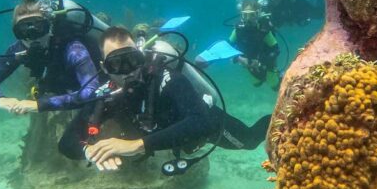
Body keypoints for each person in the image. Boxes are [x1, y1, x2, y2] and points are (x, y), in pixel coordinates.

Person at [80, 27, 271, 171]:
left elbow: (201, 121)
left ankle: (280, 117)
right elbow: (68, 141)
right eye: (116, 64)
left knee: (250, 140)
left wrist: (137, 145)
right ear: (104, 67)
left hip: (207, 124)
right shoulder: (106, 94)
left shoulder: (165, 77)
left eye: (132, 59)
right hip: (175, 138)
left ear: (141, 56)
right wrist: (88, 151)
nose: (127, 70)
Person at [0, 0, 100, 157]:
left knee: (70, 147)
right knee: (69, 149)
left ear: (50, 27)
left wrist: (38, 105)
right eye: (23, 31)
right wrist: (0, 99)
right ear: (16, 33)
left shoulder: (72, 48)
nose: (32, 36)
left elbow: (91, 92)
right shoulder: (19, 49)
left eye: (38, 27)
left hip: (103, 87)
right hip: (66, 90)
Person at [229, 0, 281, 90]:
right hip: (249, 65)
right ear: (241, 15)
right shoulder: (238, 30)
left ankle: (279, 76)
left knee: (275, 86)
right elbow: (227, 48)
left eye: (252, 15)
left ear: (258, 14)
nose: (248, 19)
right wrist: (239, 59)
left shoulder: (263, 30)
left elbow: (276, 50)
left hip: (266, 64)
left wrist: (260, 61)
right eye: (245, 15)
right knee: (256, 83)